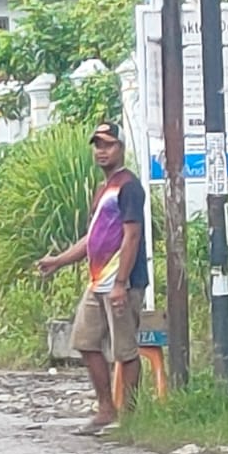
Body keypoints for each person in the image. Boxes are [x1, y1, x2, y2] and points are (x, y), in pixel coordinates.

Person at [37, 120, 150, 434]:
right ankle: (105, 408)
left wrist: (120, 284)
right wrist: (58, 261)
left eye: (108, 144)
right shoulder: (104, 188)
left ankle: (130, 416)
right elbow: (92, 238)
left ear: (121, 148)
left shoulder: (129, 186)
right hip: (97, 281)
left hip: (120, 283)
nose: (102, 151)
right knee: (85, 342)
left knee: (125, 350)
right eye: (98, 145)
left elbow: (132, 237)